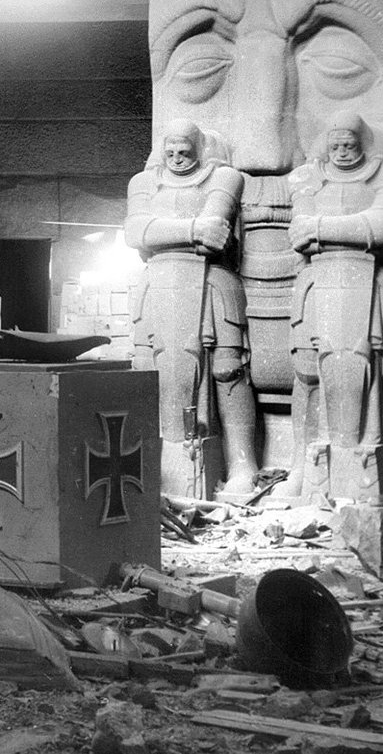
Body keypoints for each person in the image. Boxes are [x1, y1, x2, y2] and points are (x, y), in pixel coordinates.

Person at [287, 110, 383, 499]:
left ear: (364, 142)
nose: (341, 152)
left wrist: (318, 228)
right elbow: (296, 234)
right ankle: (303, 469)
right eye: (334, 145)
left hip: (378, 281)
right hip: (318, 283)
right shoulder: (305, 178)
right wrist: (353, 228)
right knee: (308, 372)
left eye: (349, 144)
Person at [125, 119, 259, 496]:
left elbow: (215, 232)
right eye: (170, 152)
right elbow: (135, 233)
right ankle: (158, 465)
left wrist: (164, 232)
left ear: (200, 149)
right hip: (158, 286)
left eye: (185, 152)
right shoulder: (143, 183)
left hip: (212, 284)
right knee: (148, 371)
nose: (177, 159)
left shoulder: (225, 178)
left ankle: (241, 465)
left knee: (228, 372)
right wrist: (191, 231)